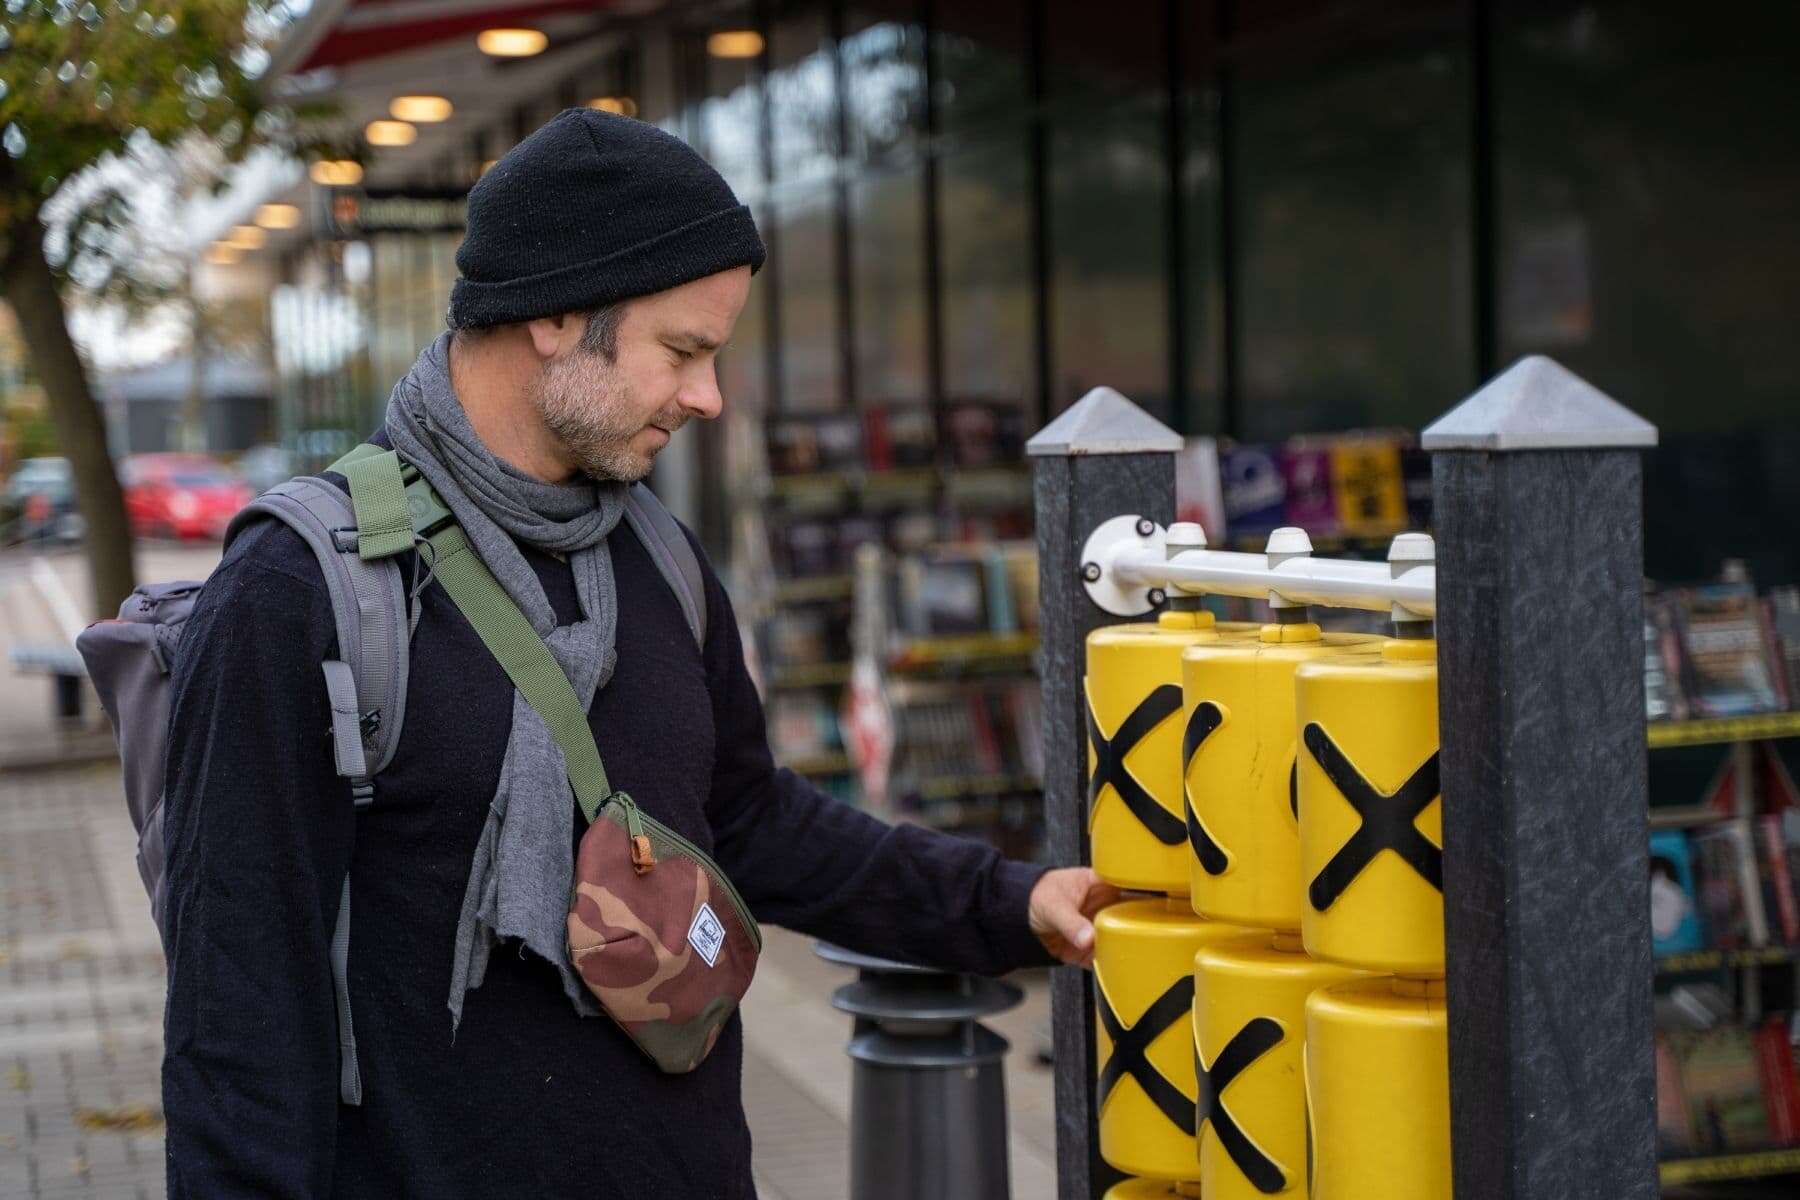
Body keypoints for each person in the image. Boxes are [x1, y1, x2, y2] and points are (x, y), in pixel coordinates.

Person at [160, 107, 1115, 1198]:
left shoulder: (654, 554)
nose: (708, 397)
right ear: (557, 314)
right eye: (683, 352)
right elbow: (237, 1013)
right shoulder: (299, 594)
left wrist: (1004, 901)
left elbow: (747, 821)